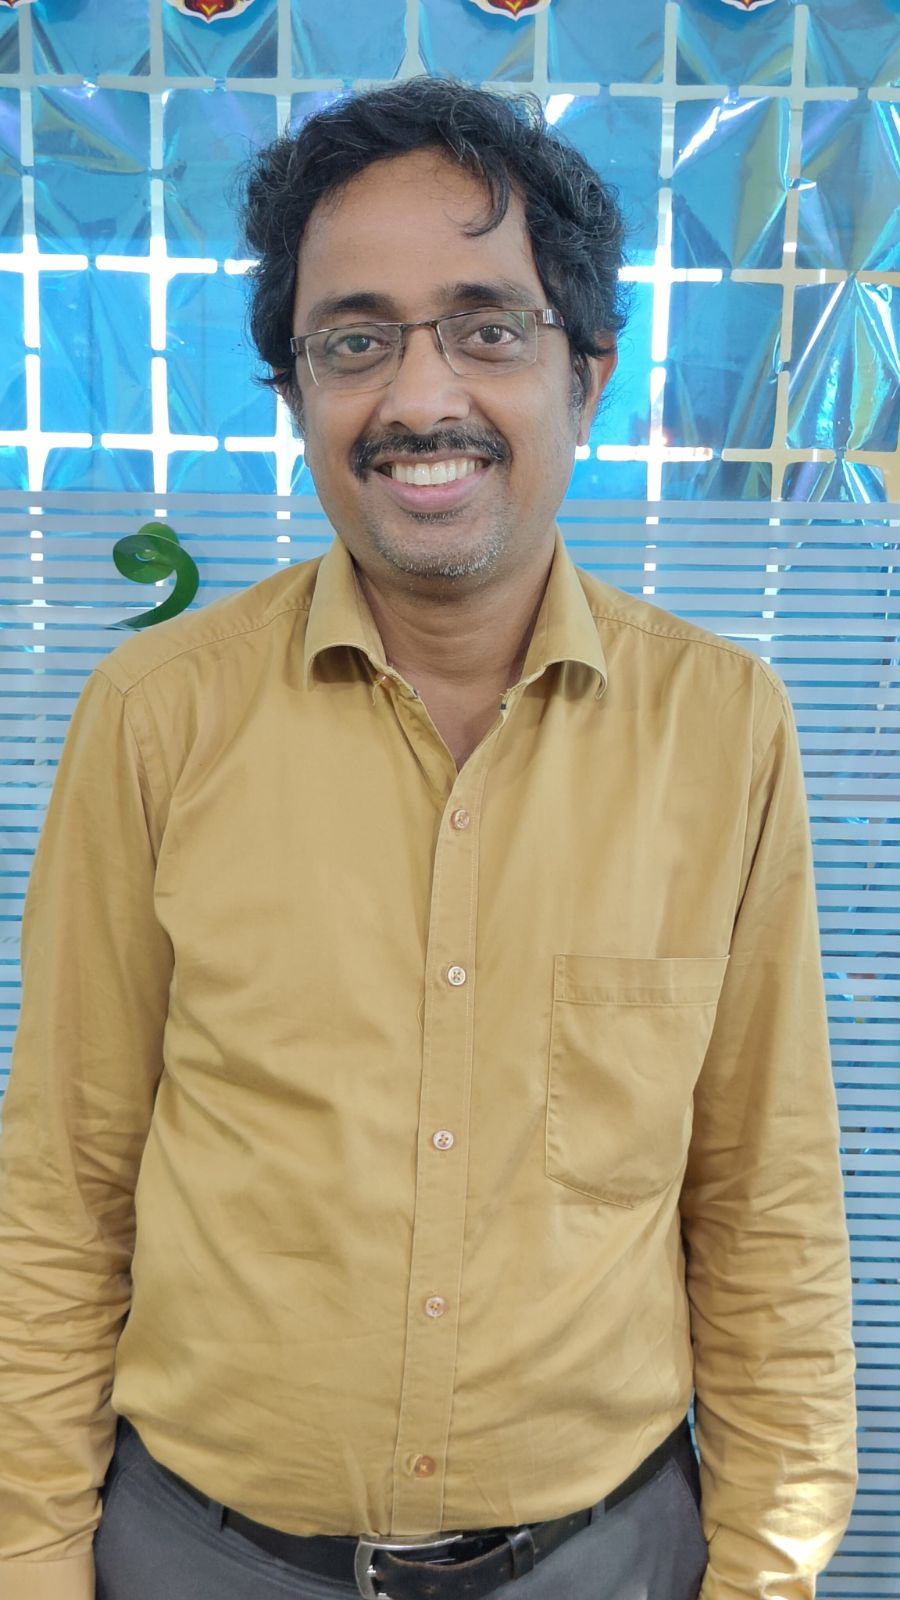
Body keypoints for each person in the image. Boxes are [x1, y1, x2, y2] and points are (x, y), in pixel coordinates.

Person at [0, 77, 856, 1600]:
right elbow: (65, 1185)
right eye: (355, 341)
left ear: (586, 374)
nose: (418, 399)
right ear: (296, 394)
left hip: (605, 1560)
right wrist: (32, 1557)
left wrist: (769, 1568)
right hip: (204, 1558)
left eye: (486, 328)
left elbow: (763, 1203)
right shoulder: (156, 718)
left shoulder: (725, 729)